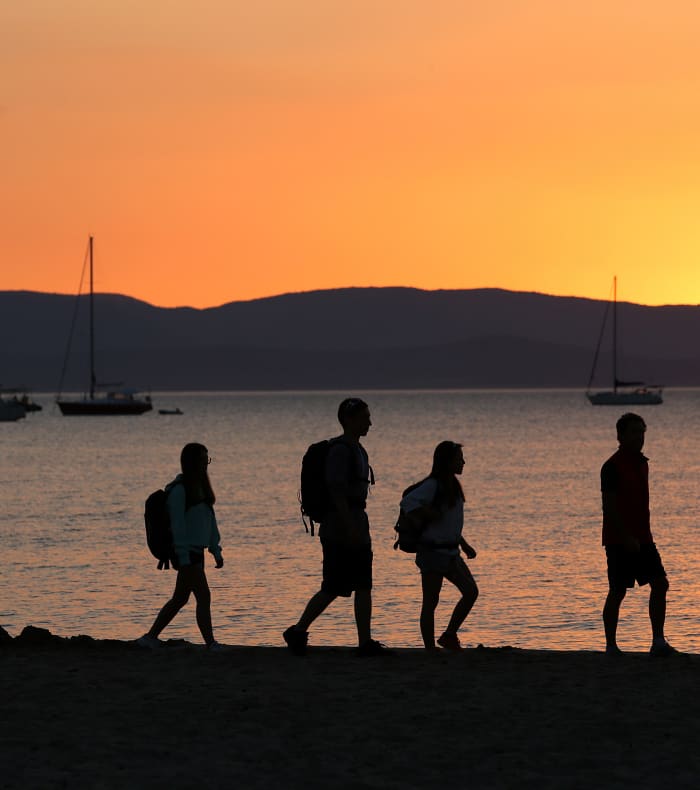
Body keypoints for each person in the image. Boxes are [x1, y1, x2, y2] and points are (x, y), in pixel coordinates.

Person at [283, 398, 389, 656]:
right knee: (333, 586)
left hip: (355, 523)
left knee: (362, 583)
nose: (370, 423)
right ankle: (298, 631)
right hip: (341, 526)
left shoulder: (358, 449)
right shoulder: (341, 451)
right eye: (365, 418)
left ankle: (364, 642)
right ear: (349, 420)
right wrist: (349, 527)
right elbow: (336, 492)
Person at [601, 413, 674, 656]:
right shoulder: (611, 467)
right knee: (618, 591)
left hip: (644, 537)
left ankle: (658, 642)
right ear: (620, 436)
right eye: (634, 432)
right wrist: (625, 536)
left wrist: (640, 536)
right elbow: (609, 508)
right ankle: (611, 646)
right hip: (618, 540)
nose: (639, 437)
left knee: (660, 584)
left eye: (641, 432)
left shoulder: (642, 463)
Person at [138, 443, 224, 650]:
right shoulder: (179, 491)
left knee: (180, 598)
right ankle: (211, 643)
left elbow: (210, 522)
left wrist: (215, 550)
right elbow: (177, 527)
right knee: (204, 596)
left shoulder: (202, 490)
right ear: (191, 462)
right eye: (202, 460)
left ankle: (150, 637)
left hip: (198, 552)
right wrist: (183, 557)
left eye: (207, 459)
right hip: (186, 554)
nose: (205, 464)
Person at [401, 441, 478, 650]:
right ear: (447, 461)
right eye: (459, 458)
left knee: (471, 592)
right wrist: (427, 514)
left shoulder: (452, 485)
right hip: (433, 553)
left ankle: (449, 635)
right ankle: (429, 648)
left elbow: (450, 523)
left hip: (451, 552)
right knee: (431, 602)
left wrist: (465, 544)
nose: (463, 462)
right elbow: (408, 502)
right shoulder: (433, 484)